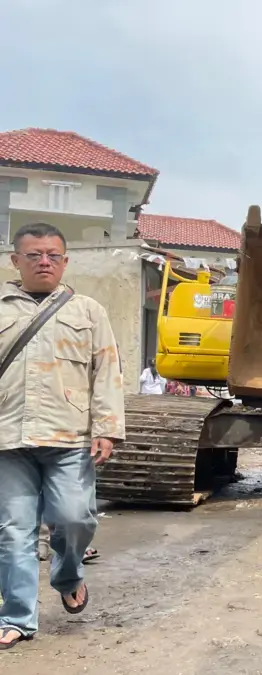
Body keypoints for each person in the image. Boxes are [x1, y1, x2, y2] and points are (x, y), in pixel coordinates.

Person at [0, 222, 125, 650]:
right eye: (33, 255)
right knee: (14, 530)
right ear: (15, 261)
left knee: (75, 518)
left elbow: (107, 371)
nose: (44, 261)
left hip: (69, 436)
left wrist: (108, 428)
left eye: (53, 254)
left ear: (65, 260)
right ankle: (17, 617)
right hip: (7, 439)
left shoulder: (87, 311)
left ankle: (68, 573)